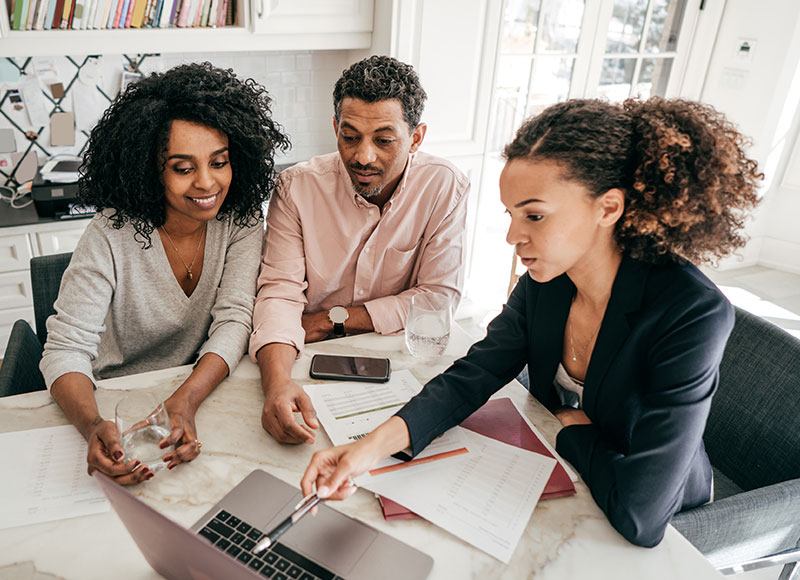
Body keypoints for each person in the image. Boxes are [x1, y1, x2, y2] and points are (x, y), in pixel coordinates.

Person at [300, 97, 762, 547]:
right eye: (512, 214)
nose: (512, 236)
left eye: (534, 215)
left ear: (608, 208)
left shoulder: (689, 312)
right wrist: (367, 450)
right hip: (564, 476)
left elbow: (642, 515)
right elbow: (475, 373)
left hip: (659, 513)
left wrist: (573, 432)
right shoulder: (549, 278)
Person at [42, 62, 290, 485]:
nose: (207, 183)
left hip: (199, 389)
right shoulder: (111, 233)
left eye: (219, 162)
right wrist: (91, 425)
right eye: (183, 167)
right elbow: (65, 350)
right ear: (150, 169)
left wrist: (186, 400)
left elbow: (235, 319)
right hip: (112, 398)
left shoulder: (241, 219)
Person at [251, 55, 470, 445]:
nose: (363, 156)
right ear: (335, 127)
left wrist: (332, 319)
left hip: (400, 364)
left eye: (384, 140)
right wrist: (277, 385)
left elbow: (438, 299)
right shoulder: (295, 188)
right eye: (349, 137)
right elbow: (279, 293)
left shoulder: (444, 187)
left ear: (415, 138)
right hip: (302, 356)